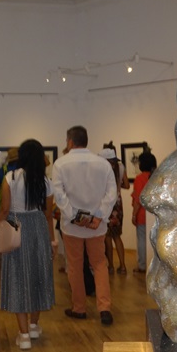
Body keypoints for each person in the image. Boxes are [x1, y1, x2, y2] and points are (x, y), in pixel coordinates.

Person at [52, 125, 117, 325]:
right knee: (99, 264)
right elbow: (111, 193)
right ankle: (104, 308)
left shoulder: (60, 164)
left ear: (70, 142)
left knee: (75, 266)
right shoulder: (103, 164)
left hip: (72, 226)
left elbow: (59, 195)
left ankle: (79, 308)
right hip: (97, 226)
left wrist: (74, 216)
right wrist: (99, 216)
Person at [0, 139, 56, 350]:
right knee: (38, 276)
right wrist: (52, 241)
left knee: (18, 278)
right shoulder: (46, 181)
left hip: (17, 229)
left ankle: (23, 336)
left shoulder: (10, 178)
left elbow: (5, 209)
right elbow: (48, 215)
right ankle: (33, 326)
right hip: (39, 229)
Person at [99, 143, 130, 275]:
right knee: (117, 236)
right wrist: (118, 185)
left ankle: (110, 266)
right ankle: (123, 266)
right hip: (118, 203)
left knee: (107, 237)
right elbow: (127, 185)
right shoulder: (121, 166)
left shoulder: (103, 168)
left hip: (107, 203)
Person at [131, 148, 157, 274]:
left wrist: (133, 215)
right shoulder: (156, 176)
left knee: (142, 239)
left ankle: (142, 265)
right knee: (153, 239)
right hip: (155, 214)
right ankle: (154, 265)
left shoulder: (139, 178)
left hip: (142, 214)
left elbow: (138, 199)